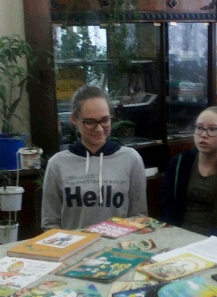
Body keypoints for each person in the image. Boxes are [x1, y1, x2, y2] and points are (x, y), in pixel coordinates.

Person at [42, 85, 147, 230]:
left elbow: (138, 217)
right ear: (74, 120)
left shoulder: (131, 159)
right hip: (75, 243)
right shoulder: (57, 164)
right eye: (89, 122)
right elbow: (50, 223)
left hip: (120, 243)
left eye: (105, 120)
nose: (99, 128)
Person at [160, 106, 217, 236]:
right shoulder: (179, 163)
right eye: (199, 127)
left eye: (212, 129)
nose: (203, 134)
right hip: (178, 234)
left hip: (216, 240)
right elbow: (167, 208)